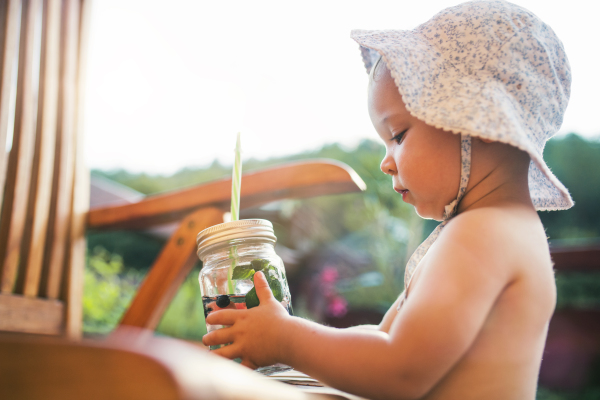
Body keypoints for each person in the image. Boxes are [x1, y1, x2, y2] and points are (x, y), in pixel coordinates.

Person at [202, 1, 573, 399]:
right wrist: (291, 342)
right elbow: (382, 337)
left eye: (398, 135)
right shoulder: (492, 229)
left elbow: (400, 371)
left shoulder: (483, 234)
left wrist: (286, 339)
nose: (385, 162)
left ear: (480, 121)